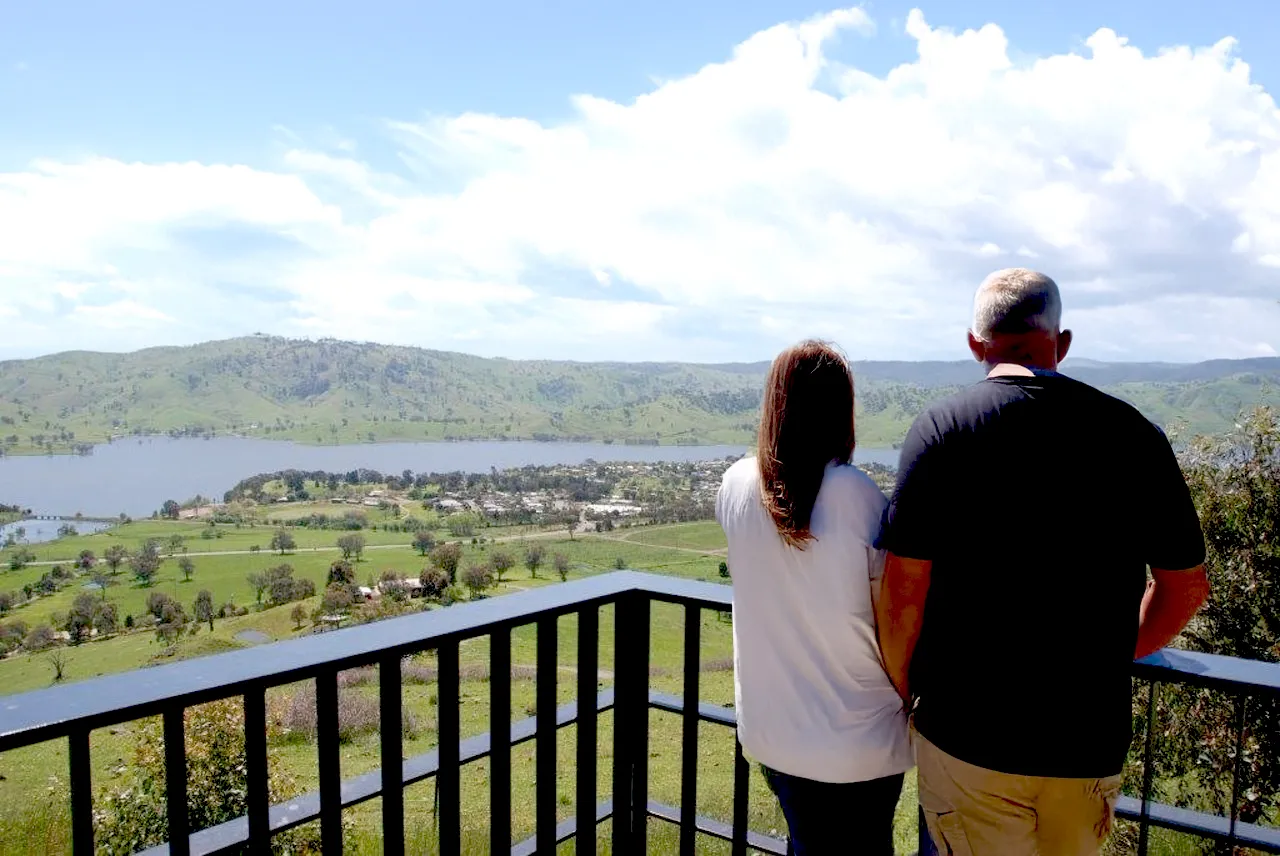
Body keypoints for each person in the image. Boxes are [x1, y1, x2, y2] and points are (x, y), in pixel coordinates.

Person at [877, 268, 1210, 856]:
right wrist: (1113, 651)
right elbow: (1184, 588)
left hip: (966, 736)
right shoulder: (1134, 435)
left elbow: (905, 589)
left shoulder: (942, 430)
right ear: (1061, 342)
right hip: (1085, 744)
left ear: (975, 344)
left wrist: (906, 687)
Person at [717, 340, 912, 856]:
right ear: (841, 411)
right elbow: (893, 608)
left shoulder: (736, 485)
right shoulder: (858, 495)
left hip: (773, 734)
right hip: (860, 743)